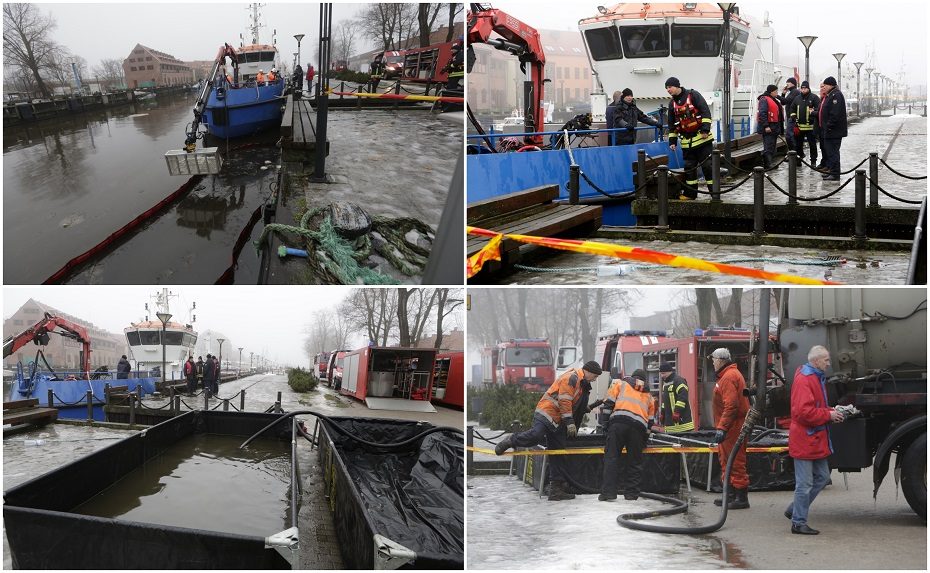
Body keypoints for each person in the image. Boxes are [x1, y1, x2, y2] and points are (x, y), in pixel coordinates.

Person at [494, 361, 603, 501]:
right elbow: (565, 401)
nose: (595, 379)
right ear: (588, 371)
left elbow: (575, 404)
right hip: (547, 414)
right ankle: (511, 440)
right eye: (595, 375)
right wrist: (570, 423)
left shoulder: (583, 385)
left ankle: (556, 490)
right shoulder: (572, 378)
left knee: (558, 454)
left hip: (558, 421)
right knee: (536, 435)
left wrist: (590, 406)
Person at [784, 346, 846, 535]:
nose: (829, 364)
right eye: (826, 360)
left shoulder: (811, 376)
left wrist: (830, 411)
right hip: (807, 439)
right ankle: (798, 522)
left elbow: (811, 408)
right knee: (805, 484)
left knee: (822, 477)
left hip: (812, 439)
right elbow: (803, 413)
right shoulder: (806, 379)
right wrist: (828, 415)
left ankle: (795, 511)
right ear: (816, 361)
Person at [598, 369, 656, 501]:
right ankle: (631, 494)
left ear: (632, 376)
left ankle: (608, 493)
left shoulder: (620, 384)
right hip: (638, 428)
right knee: (635, 462)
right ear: (644, 380)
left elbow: (608, 405)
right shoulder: (649, 396)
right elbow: (650, 421)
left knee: (611, 458)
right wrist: (644, 439)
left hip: (618, 423)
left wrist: (605, 425)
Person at [709, 347, 750, 509]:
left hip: (733, 427)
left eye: (713, 360)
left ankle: (740, 497)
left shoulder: (727, 378)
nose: (712, 363)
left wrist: (722, 428)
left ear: (720, 360)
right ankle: (731, 494)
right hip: (731, 426)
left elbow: (731, 405)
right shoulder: (730, 375)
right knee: (727, 460)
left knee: (735, 461)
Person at [665, 77, 714, 200]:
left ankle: (715, 193)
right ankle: (690, 194)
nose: (668, 90)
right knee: (689, 169)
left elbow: (705, 112)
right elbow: (672, 126)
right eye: (666, 88)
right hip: (687, 143)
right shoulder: (672, 104)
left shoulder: (693, 95)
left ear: (677, 86)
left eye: (669, 87)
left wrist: (705, 130)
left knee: (707, 167)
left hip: (702, 140)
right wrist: (672, 141)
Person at [817, 76, 847, 181]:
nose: (823, 87)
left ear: (830, 85)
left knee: (833, 152)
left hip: (833, 131)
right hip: (829, 130)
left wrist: (829, 126)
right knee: (830, 152)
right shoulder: (831, 95)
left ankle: (835, 174)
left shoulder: (836, 96)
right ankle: (832, 171)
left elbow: (835, 114)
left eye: (825, 85)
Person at [788, 81, 821, 167]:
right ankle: (799, 160)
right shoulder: (797, 98)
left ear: (808, 88)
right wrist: (794, 118)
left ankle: (813, 161)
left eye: (805, 88)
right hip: (799, 127)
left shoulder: (814, 98)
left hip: (811, 127)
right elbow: (792, 109)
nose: (803, 90)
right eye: (802, 88)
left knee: (812, 145)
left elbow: (819, 110)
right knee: (798, 145)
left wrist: (813, 114)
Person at [658, 362, 693, 433]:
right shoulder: (665, 384)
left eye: (663, 373)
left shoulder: (679, 381)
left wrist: (677, 411)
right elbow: (665, 402)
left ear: (670, 372)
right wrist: (662, 413)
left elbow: (683, 397)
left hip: (683, 423)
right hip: (671, 424)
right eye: (661, 373)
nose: (662, 376)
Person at [757, 84, 785, 169]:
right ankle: (767, 164)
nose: (777, 93)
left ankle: (770, 162)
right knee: (768, 146)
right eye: (776, 91)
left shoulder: (773, 99)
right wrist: (766, 126)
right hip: (769, 126)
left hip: (774, 127)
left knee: (772, 145)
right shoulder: (764, 99)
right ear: (771, 92)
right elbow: (762, 113)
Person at [779, 77, 801, 149]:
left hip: (793, 117)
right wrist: (783, 94)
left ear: (792, 83)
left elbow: (786, 101)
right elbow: (783, 102)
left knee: (789, 135)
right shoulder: (791, 92)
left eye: (788, 82)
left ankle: (793, 151)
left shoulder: (795, 91)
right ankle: (794, 152)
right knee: (792, 135)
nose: (786, 84)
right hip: (789, 117)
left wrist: (776, 96)